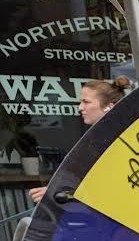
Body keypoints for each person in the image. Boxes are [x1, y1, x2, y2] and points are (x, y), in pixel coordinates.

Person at [28, 76, 131, 204]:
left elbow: (110, 185)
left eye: (86, 102)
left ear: (108, 106)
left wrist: (59, 191)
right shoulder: (99, 137)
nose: (80, 107)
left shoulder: (117, 139)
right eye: (80, 102)